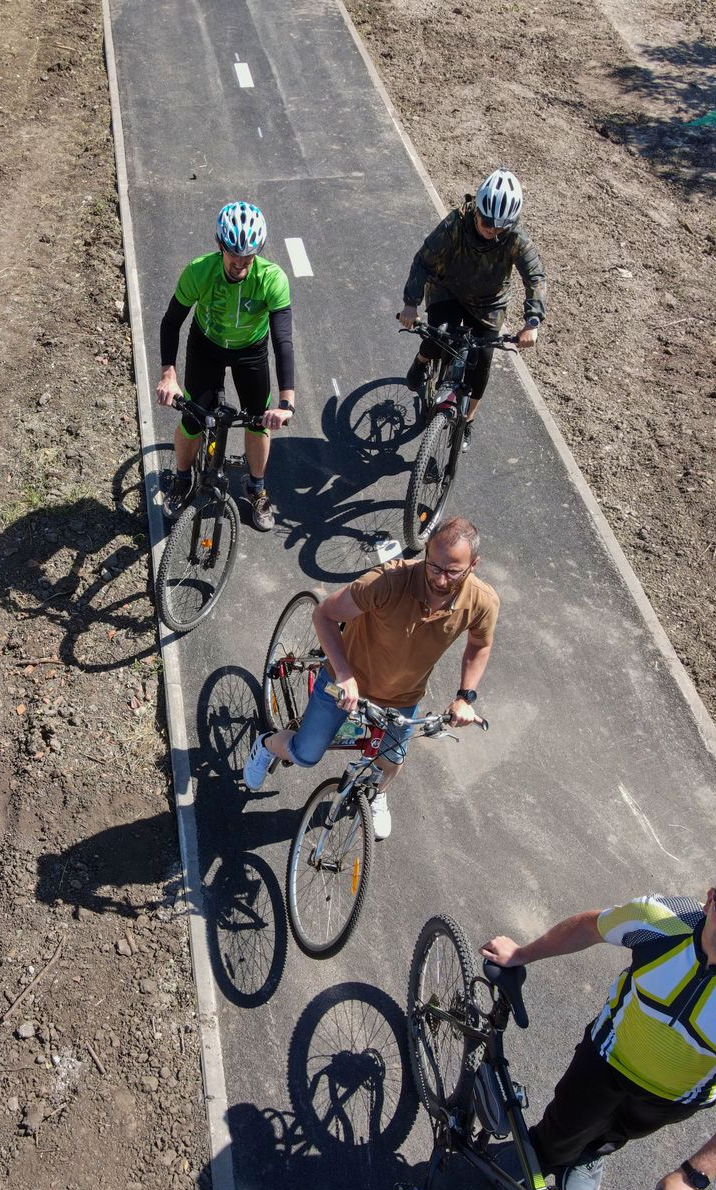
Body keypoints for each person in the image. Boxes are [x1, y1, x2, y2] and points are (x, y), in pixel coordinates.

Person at [480, 867, 716, 1190]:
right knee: (564, 1126)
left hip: (672, 1100)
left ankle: (592, 1154)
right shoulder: (661, 921)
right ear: (710, 901)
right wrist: (522, 954)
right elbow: (589, 927)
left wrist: (694, 1177)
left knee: (618, 1133)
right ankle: (542, 1153)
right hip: (606, 1059)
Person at [242, 516, 495, 838]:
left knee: (391, 760)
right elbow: (325, 614)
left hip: (403, 696)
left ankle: (377, 794)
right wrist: (345, 674)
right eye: (434, 566)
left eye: (452, 571)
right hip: (345, 683)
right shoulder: (389, 581)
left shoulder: (482, 601)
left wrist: (465, 696)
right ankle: (265, 745)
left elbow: (479, 645)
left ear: (473, 564)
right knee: (306, 754)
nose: (441, 579)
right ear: (427, 552)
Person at [156, 201, 296, 533]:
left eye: (249, 256)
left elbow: (283, 340)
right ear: (220, 246)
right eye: (234, 255)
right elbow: (171, 322)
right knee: (192, 419)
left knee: (259, 423)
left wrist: (286, 402)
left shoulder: (271, 279)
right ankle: (181, 478)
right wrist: (168, 375)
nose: (241, 263)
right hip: (206, 346)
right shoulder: (199, 271)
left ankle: (257, 487)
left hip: (251, 351)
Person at [398, 168, 548, 448]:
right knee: (436, 337)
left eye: (501, 226)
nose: (492, 230)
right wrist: (410, 304)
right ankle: (421, 362)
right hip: (448, 290)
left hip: (488, 304)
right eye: (487, 221)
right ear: (477, 209)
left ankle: (467, 420)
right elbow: (423, 260)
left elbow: (535, 277)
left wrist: (532, 321)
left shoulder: (516, 239)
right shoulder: (455, 223)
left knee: (482, 362)